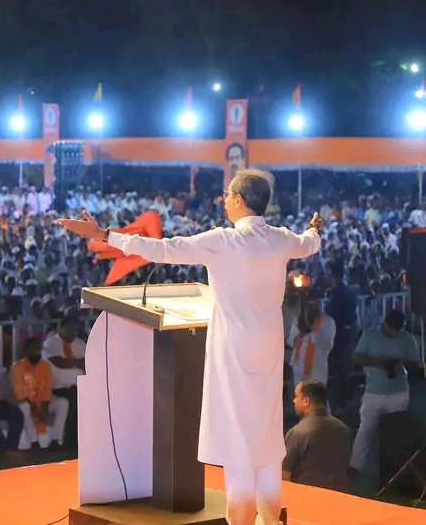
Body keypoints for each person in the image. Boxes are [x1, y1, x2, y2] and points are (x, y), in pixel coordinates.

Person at [59, 168, 323, 525]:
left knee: (239, 448)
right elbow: (309, 243)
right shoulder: (280, 238)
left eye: (229, 195)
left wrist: (105, 235)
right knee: (264, 439)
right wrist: (314, 229)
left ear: (240, 200)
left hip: (233, 352)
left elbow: (163, 249)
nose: (225, 201)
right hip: (269, 348)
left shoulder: (224, 241)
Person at [350, 309, 421, 473]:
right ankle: (355, 466)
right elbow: (357, 358)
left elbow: (416, 364)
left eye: (398, 330)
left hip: (399, 392)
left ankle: (396, 468)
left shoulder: (408, 339)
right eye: (392, 330)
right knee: (366, 430)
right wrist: (377, 362)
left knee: (396, 432)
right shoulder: (370, 335)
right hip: (374, 391)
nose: (396, 333)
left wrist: (402, 365)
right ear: (385, 324)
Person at [283, 380, 351, 492]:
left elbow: (285, 476)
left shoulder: (296, 433)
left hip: (307, 501)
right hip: (339, 501)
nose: (293, 400)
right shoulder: (343, 429)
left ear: (306, 401)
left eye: (296, 396)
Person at [11, 337, 68, 450]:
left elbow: (47, 388)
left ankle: (56, 440)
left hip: (42, 402)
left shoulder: (45, 366)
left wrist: (44, 406)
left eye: (38, 349)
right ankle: (34, 442)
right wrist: (31, 404)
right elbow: (18, 391)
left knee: (63, 402)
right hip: (25, 402)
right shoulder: (17, 367)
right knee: (25, 407)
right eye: (33, 349)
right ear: (26, 350)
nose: (36, 352)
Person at [42, 315, 85, 447]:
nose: (73, 331)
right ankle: (69, 441)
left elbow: (87, 363)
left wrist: (71, 362)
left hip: (80, 385)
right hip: (58, 387)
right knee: (73, 399)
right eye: (70, 328)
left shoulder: (80, 343)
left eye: (75, 328)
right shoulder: (51, 343)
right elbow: (59, 362)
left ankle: (83, 439)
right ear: (61, 328)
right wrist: (77, 362)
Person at [325, 263, 358, 408]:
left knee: (339, 367)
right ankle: (346, 395)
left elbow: (332, 313)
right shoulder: (348, 292)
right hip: (345, 332)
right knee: (343, 367)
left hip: (338, 333)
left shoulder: (338, 293)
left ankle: (343, 398)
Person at [288, 293, 335, 386]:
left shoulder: (327, 321)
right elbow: (290, 341)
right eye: (308, 303)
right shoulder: (299, 319)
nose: (310, 306)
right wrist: (299, 335)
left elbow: (328, 345)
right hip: (298, 368)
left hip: (316, 368)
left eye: (313, 303)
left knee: (315, 398)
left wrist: (311, 333)